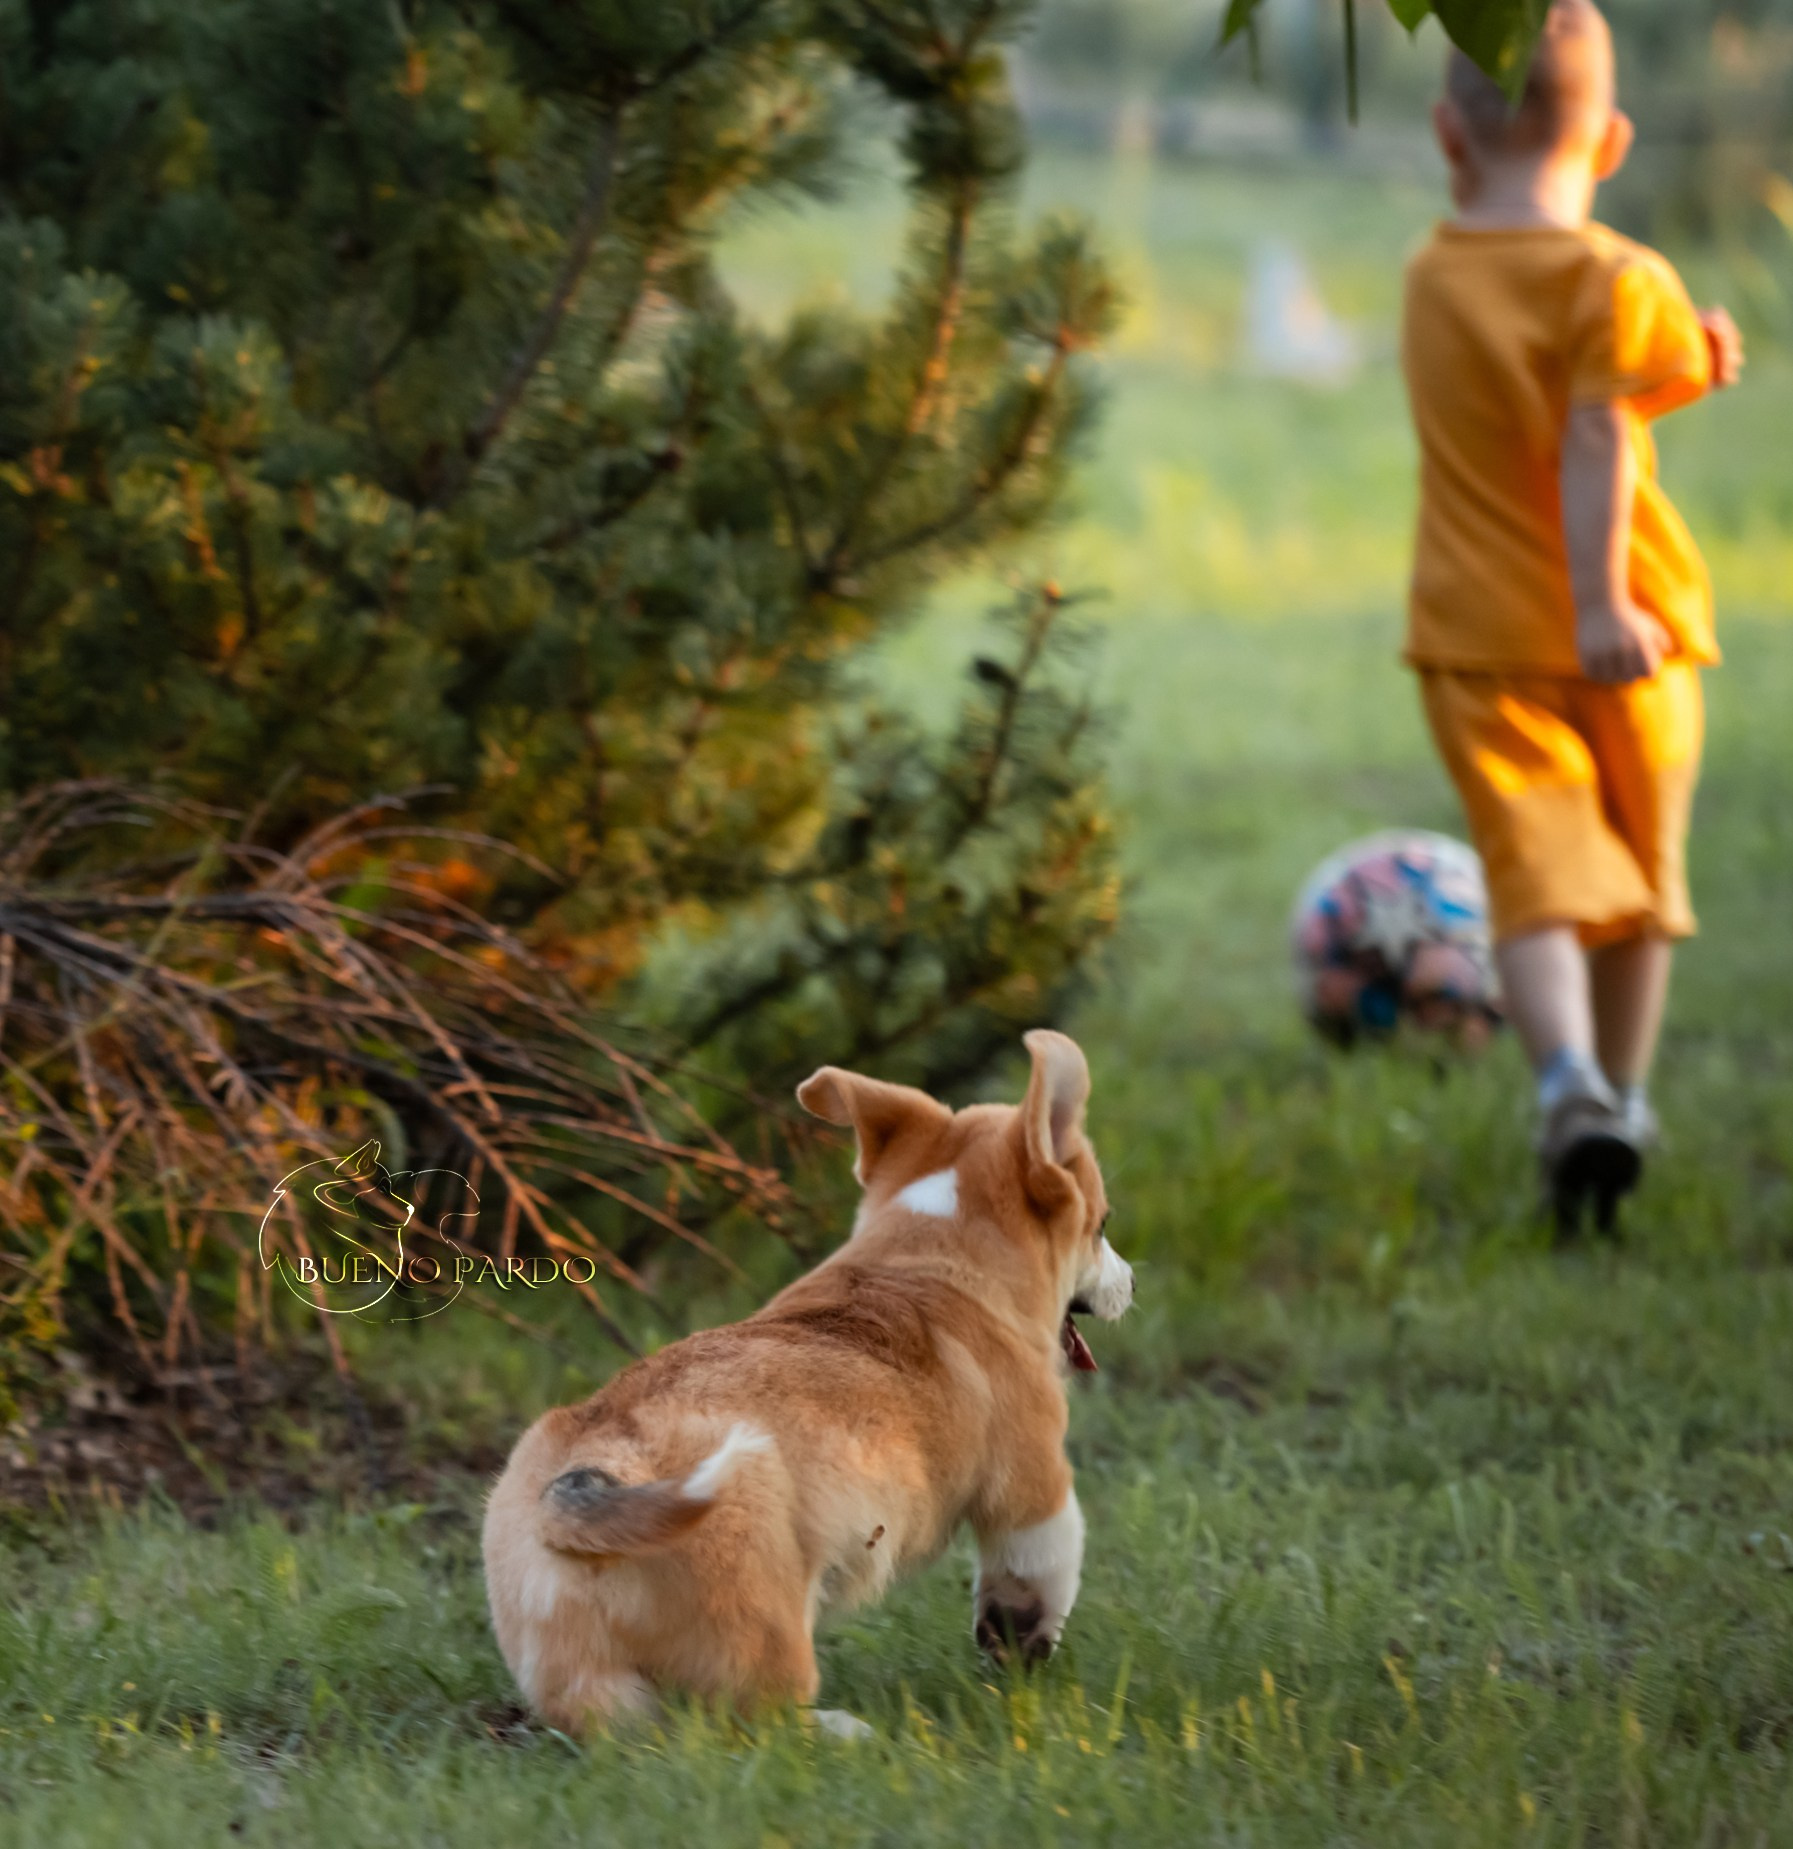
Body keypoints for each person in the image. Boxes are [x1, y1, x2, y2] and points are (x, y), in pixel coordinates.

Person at [1400, 0, 1744, 1233]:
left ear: (1450, 135)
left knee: (1537, 880)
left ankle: (1566, 1086)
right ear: (1608, 143)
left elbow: (1541, 401)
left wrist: (1678, 365)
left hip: (1477, 636)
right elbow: (1595, 422)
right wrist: (1599, 600)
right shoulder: (1618, 276)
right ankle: (1623, 1094)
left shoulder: (1431, 280)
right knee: (1638, 888)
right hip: (1632, 635)